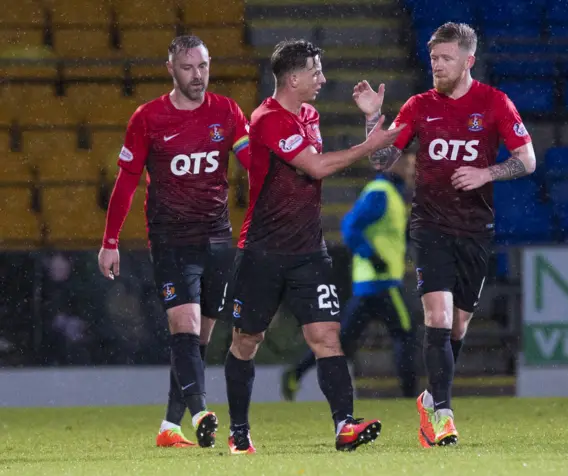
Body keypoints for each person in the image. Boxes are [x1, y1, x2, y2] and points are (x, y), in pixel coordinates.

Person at [352, 22, 536, 447]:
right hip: (430, 227)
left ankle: (429, 400)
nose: (436, 65)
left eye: (446, 58)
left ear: (468, 60)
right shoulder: (419, 106)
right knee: (436, 316)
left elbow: (526, 159)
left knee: (457, 327)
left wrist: (486, 172)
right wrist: (372, 118)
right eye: (433, 58)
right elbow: (382, 159)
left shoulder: (494, 103)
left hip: (475, 228)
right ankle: (444, 415)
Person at [219, 39, 403, 454]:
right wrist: (371, 143)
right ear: (293, 78)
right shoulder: (266, 118)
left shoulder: (310, 115)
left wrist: (372, 121)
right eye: (316, 72)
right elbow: (317, 166)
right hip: (262, 251)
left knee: (327, 337)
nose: (322, 79)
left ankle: (344, 426)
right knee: (246, 341)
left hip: (308, 252)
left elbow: (330, 167)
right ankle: (239, 431)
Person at [97, 35, 250, 449]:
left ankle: (169, 425)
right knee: (184, 325)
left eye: (203, 66)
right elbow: (127, 182)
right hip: (171, 242)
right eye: (188, 67)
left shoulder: (227, 111)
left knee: (199, 340)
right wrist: (110, 240)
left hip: (218, 240)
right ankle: (201, 412)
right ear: (171, 69)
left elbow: (254, 164)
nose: (197, 75)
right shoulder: (148, 118)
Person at [281, 156, 417, 401]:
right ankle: (410, 396)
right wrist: (372, 255)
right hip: (381, 281)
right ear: (392, 164)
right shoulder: (381, 193)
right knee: (405, 333)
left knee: (342, 339)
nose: (410, 169)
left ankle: (296, 372)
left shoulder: (391, 194)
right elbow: (350, 226)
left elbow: (386, 235)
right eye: (407, 164)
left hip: (370, 283)